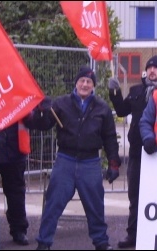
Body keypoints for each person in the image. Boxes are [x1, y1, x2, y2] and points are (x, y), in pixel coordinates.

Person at [31, 65, 122, 250]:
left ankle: (101, 242)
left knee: (95, 206)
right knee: (53, 204)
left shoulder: (102, 108)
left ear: (93, 86)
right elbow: (42, 125)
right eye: (82, 80)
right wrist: (40, 110)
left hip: (90, 163)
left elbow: (110, 138)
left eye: (89, 82)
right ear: (76, 83)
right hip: (65, 160)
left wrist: (114, 163)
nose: (85, 84)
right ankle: (44, 242)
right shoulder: (61, 103)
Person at [108, 55, 157, 248]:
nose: (152, 71)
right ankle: (133, 235)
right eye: (149, 68)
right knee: (135, 196)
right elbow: (121, 111)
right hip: (137, 152)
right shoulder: (136, 90)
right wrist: (115, 92)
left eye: (156, 68)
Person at [0, 120, 37, 246]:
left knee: (16, 193)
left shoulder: (19, 99)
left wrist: (37, 112)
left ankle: (19, 229)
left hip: (14, 148)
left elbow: (32, 120)